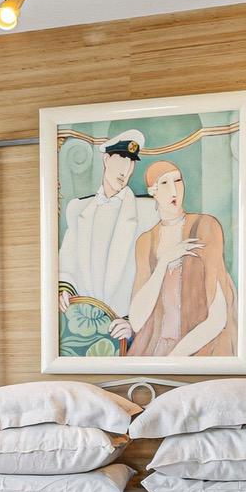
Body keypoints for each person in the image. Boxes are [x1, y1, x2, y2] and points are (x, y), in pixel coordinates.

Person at [54, 131, 156, 355]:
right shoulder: (78, 208)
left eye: (131, 162)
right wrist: (63, 288)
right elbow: (67, 258)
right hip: (82, 327)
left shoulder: (148, 212)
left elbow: (157, 276)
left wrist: (134, 323)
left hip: (126, 330)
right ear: (106, 159)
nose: (126, 170)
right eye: (122, 159)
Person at [126, 158, 236, 358]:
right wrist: (164, 263)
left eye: (177, 181)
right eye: (165, 183)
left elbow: (218, 317)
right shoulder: (145, 241)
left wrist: (175, 358)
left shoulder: (206, 226)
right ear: (153, 191)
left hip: (199, 346)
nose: (174, 190)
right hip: (154, 347)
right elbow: (137, 320)